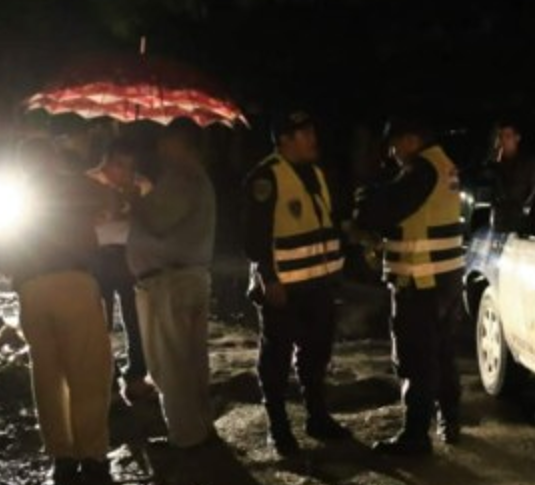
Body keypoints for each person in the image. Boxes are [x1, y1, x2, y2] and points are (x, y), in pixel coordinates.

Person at [0, 137, 123, 485]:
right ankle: (92, 455)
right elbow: (111, 204)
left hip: (31, 292)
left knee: (46, 375)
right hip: (72, 282)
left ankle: (62, 456)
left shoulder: (12, 198)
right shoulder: (74, 186)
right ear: (54, 159)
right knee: (88, 372)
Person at [242, 109, 351, 457]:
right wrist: (268, 278)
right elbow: (253, 237)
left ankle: (317, 417)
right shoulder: (266, 177)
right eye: (305, 133)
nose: (313, 138)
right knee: (276, 358)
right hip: (283, 288)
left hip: (318, 284)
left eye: (312, 131)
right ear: (285, 140)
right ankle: (278, 428)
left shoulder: (315, 173)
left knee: (316, 354)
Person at [356, 117, 466, 456]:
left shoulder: (421, 169)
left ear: (411, 140)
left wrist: (363, 199)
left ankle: (415, 437)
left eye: (395, 145)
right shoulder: (444, 164)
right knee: (443, 355)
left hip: (421, 281)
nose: (392, 153)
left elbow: (381, 210)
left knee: (416, 359)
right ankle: (450, 421)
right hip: (446, 279)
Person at [127, 121, 217, 451]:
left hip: (169, 281)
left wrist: (134, 199)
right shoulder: (195, 177)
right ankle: (200, 427)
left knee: (171, 363)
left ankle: (187, 435)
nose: (161, 148)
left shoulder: (181, 177)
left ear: (183, 144)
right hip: (186, 276)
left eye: (167, 142)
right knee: (191, 360)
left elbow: (156, 219)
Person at [87, 139, 155, 404]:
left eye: (129, 166)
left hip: (129, 254)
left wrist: (134, 203)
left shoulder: (141, 184)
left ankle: (136, 375)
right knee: (99, 321)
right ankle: (109, 378)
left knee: (135, 316)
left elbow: (152, 219)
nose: (124, 171)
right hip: (97, 255)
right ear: (106, 161)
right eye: (119, 165)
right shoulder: (87, 182)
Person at [489, 120, 535, 233]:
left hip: (522, 224)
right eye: (501, 137)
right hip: (500, 224)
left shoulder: (529, 163)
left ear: (517, 138)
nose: (504, 141)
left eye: (508, 136)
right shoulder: (495, 166)